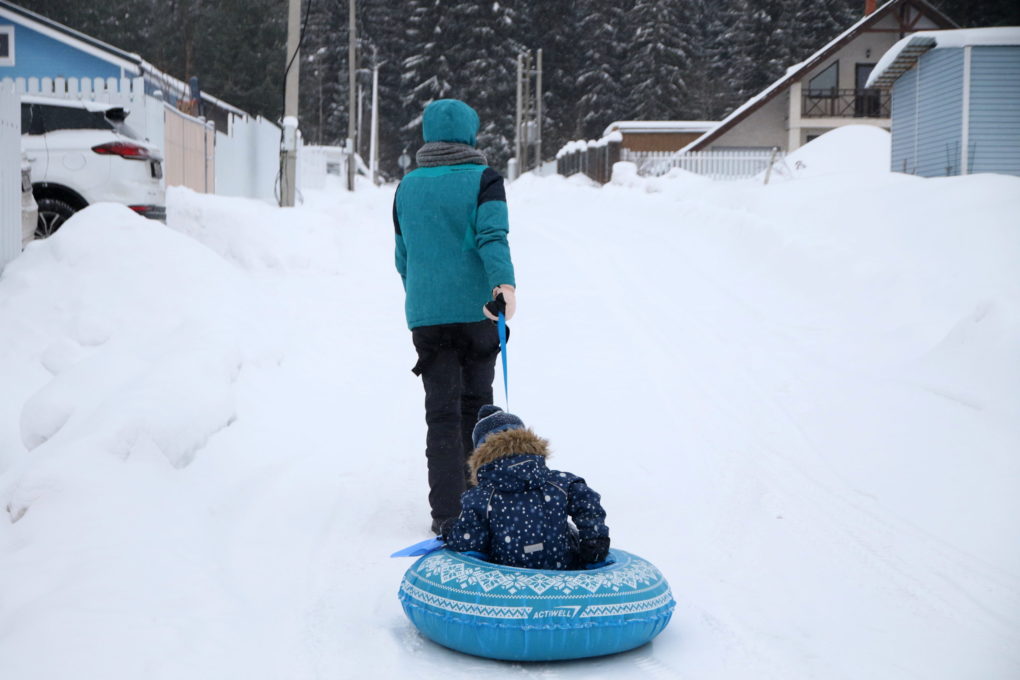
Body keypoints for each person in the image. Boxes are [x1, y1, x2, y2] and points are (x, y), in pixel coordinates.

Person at [392, 99, 517, 534]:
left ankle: (447, 515)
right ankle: (480, 507)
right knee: (477, 408)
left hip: (426, 316)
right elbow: (492, 236)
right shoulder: (485, 179)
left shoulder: (406, 186)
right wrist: (505, 285)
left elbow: (402, 256)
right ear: (470, 132)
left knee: (440, 413)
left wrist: (425, 298)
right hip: (476, 312)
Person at [441, 406, 610, 570]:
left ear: (480, 454)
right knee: (569, 531)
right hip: (560, 567)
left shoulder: (481, 497)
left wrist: (451, 530)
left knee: (481, 541)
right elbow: (588, 503)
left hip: (508, 576)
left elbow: (469, 541)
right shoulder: (558, 483)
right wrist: (594, 541)